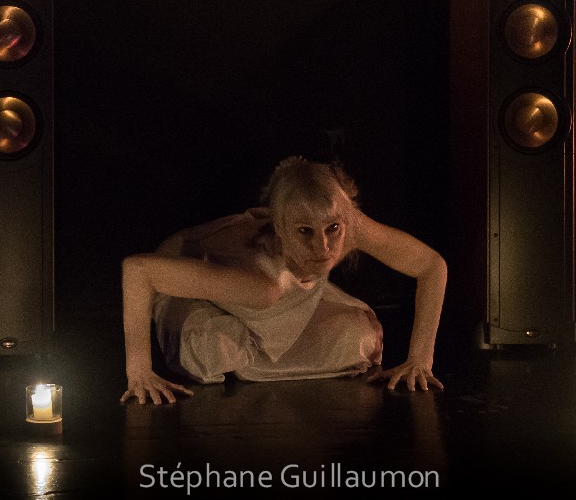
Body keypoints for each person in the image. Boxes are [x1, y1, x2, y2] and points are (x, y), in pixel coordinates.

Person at [119, 156, 447, 405]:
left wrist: (420, 359)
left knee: (358, 337)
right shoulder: (262, 284)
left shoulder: (348, 224)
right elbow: (138, 271)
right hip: (191, 272)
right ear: (281, 230)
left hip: (282, 282)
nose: (323, 248)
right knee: (213, 348)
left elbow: (431, 265)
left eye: (333, 229)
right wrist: (139, 371)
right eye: (305, 232)